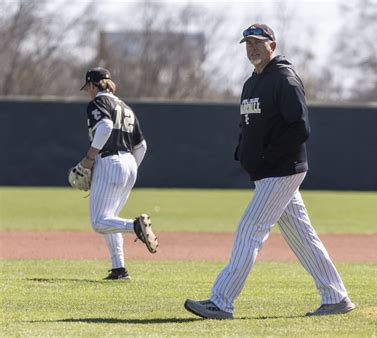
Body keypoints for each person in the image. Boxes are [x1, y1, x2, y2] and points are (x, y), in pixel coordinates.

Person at [184, 24, 355, 319]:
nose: (252, 48)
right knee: (302, 236)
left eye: (258, 43)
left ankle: (221, 301)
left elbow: (300, 127)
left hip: (282, 169)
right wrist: (243, 150)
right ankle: (336, 296)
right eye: (248, 43)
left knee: (249, 230)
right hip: (267, 171)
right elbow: (248, 125)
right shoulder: (252, 82)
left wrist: (267, 155)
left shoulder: (284, 79)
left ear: (272, 45)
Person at [77, 67, 158, 280]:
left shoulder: (97, 103)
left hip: (109, 159)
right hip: (130, 163)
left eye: (88, 88)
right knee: (110, 219)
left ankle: (135, 227)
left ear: (93, 85)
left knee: (99, 222)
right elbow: (142, 146)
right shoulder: (126, 107)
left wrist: (89, 158)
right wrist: (129, 170)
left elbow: (104, 126)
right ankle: (119, 269)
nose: (88, 92)